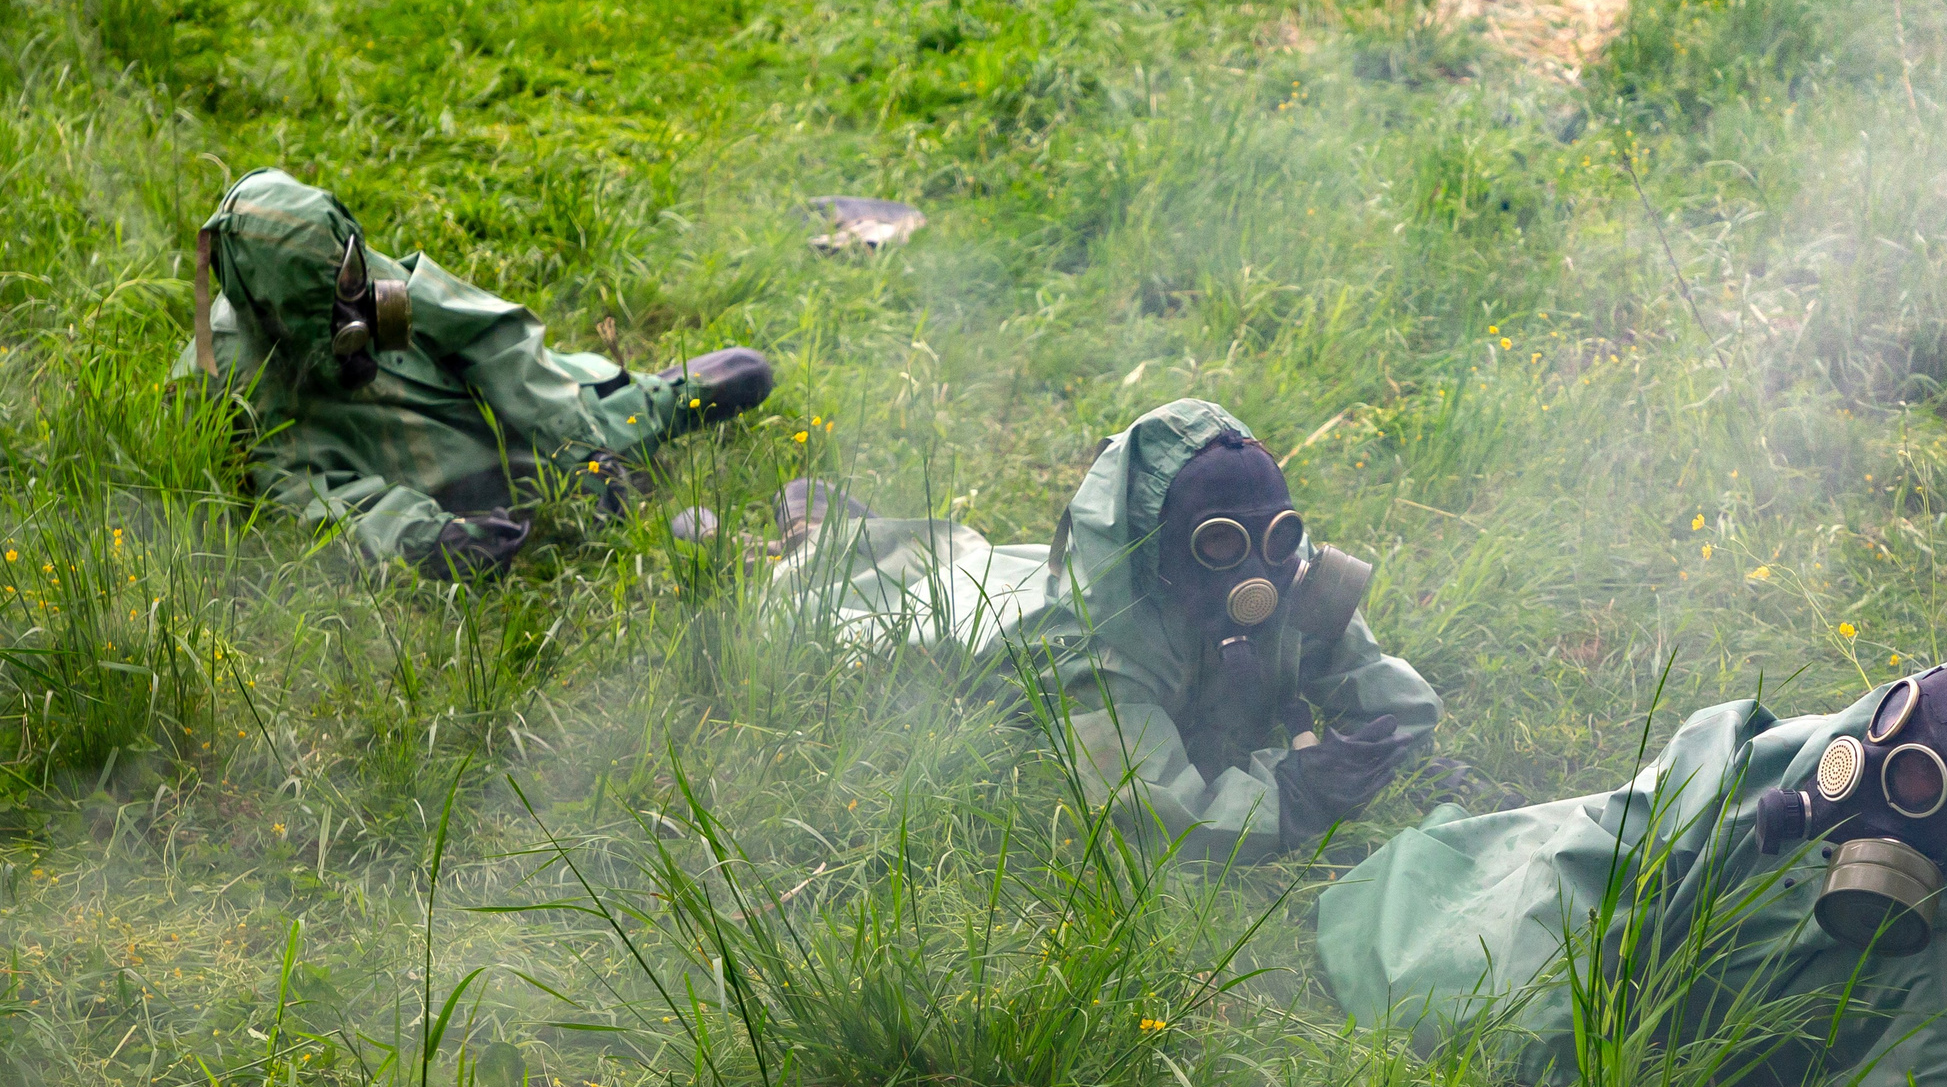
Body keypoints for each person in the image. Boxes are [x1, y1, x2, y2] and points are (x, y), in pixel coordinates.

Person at [1313, 646, 1947, 1087]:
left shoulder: (1943, 945)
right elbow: (1609, 848)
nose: (1860, 781)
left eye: (1915, 786)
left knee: (1459, 1003)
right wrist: (1560, 1040)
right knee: (1457, 972)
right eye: (1886, 736)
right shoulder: (1794, 757)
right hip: (1593, 903)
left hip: (1711, 995)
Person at [768, 398, 1441, 862]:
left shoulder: (1284, 573)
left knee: (975, 559)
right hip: (985, 632)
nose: (1258, 571)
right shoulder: (1098, 656)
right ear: (1159, 551)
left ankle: (840, 529)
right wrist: (1291, 793)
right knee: (861, 600)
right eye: (1218, 545)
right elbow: (1159, 810)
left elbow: (1392, 699)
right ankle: (807, 540)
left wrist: (1398, 748)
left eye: (1279, 533)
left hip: (1028, 581)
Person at [176, 168, 775, 577]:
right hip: (416, 476)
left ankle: (634, 402)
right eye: (335, 305)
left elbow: (491, 338)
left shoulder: (344, 266)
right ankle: (615, 427)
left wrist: (576, 443)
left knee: (612, 416)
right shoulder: (228, 374)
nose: (357, 302)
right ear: (284, 311)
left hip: (477, 413)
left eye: (353, 281)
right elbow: (302, 500)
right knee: (519, 501)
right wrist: (428, 539)